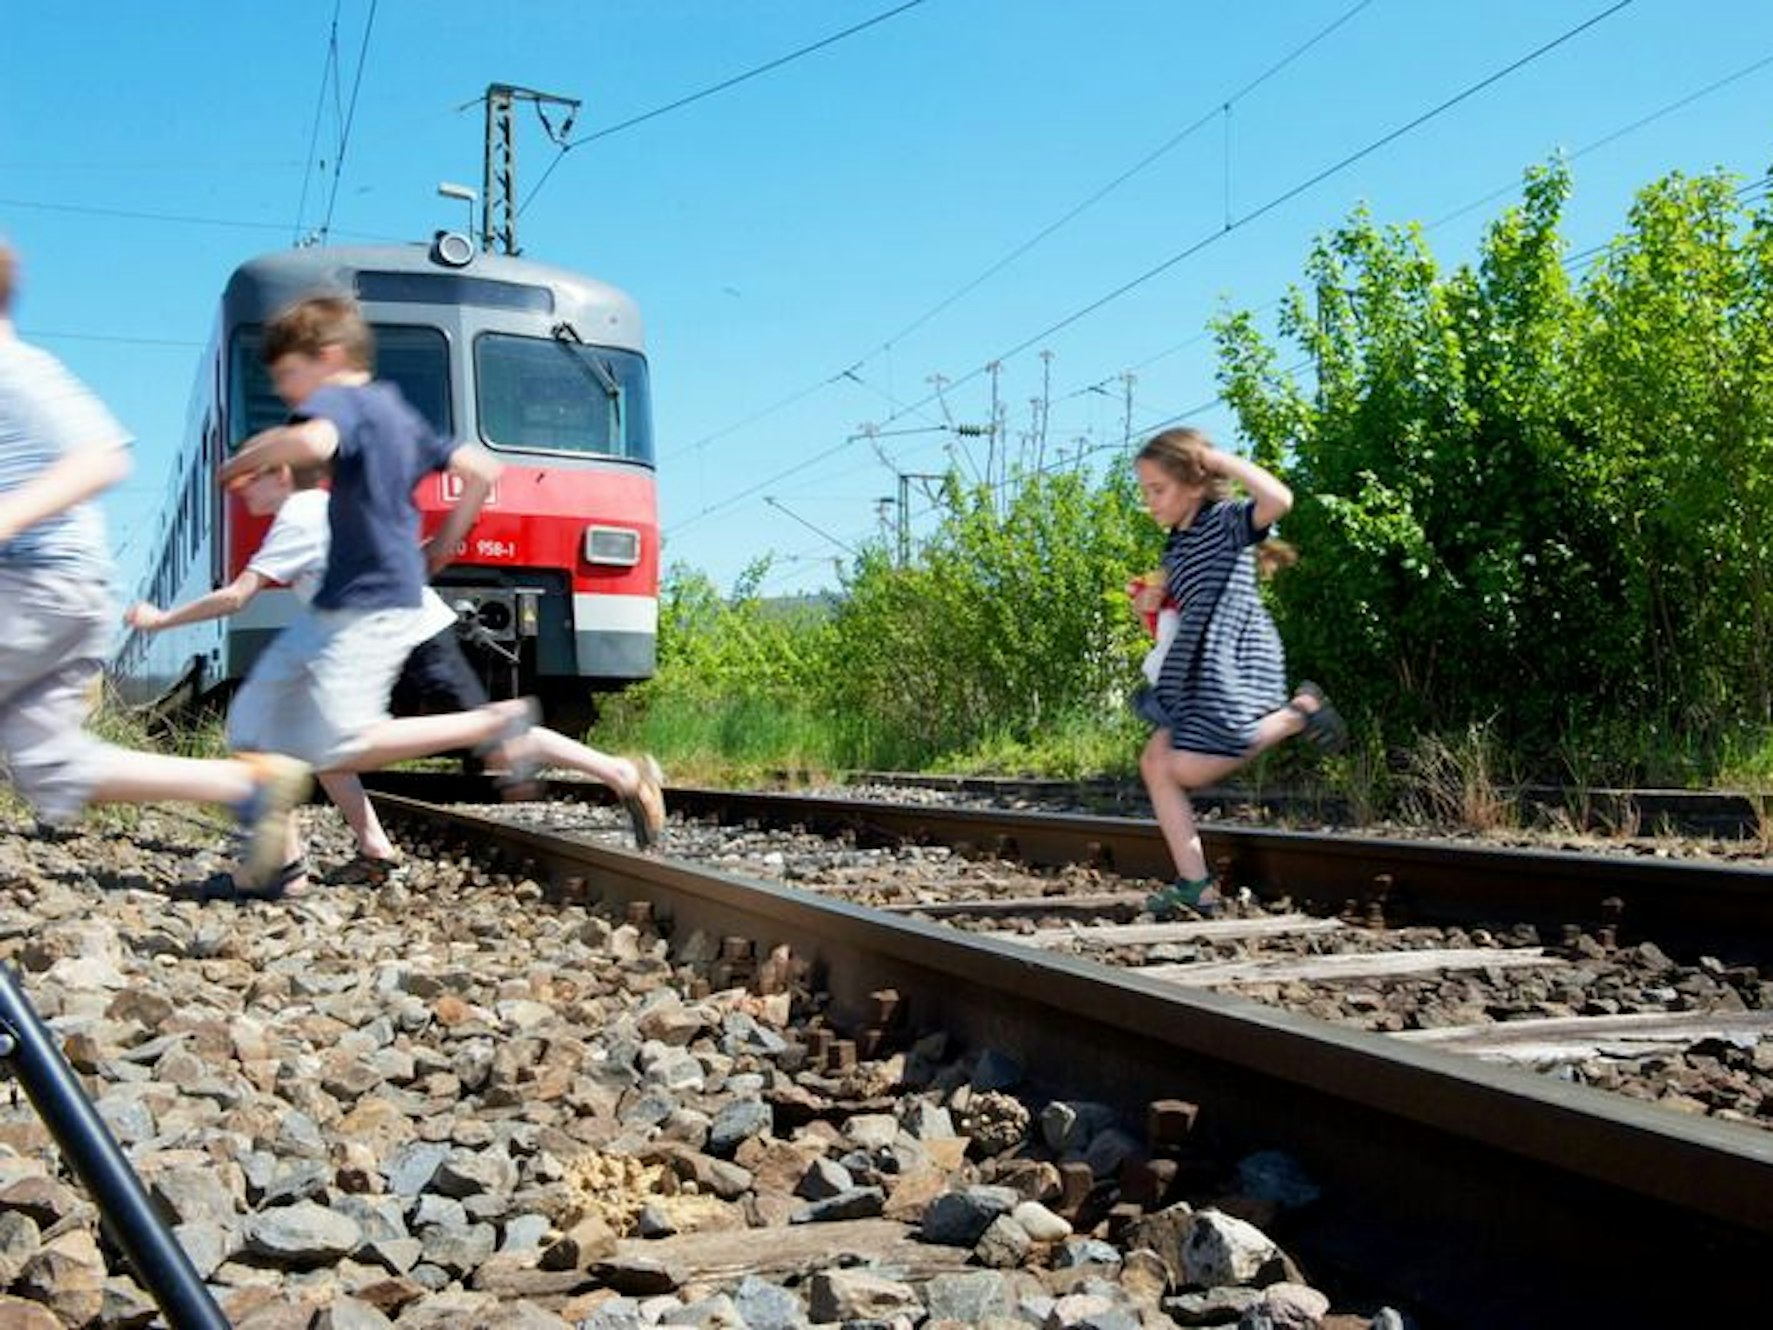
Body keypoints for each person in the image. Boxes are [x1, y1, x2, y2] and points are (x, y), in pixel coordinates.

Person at [0, 238, 310, 890]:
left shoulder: (12, 368)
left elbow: (103, 455)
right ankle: (247, 786)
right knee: (46, 763)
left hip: (34, 581)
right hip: (58, 586)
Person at [125, 462, 405, 890]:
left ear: (281, 474)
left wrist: (161, 620)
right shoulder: (326, 506)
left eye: (247, 479)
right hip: (360, 635)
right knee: (317, 744)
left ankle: (282, 869)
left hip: (352, 638)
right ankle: (373, 848)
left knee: (261, 734)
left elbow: (237, 596)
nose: (239, 491)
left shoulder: (297, 517)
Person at [1131, 427, 1346, 918]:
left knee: (1189, 768)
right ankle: (1196, 887)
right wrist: (1154, 601)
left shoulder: (1226, 522)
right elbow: (1183, 601)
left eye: (1157, 489)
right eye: (1145, 491)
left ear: (1194, 482)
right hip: (1195, 667)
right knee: (1155, 762)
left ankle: (1298, 712)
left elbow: (1280, 498)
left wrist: (1216, 457)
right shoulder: (1176, 544)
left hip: (1235, 662)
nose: (1150, 501)